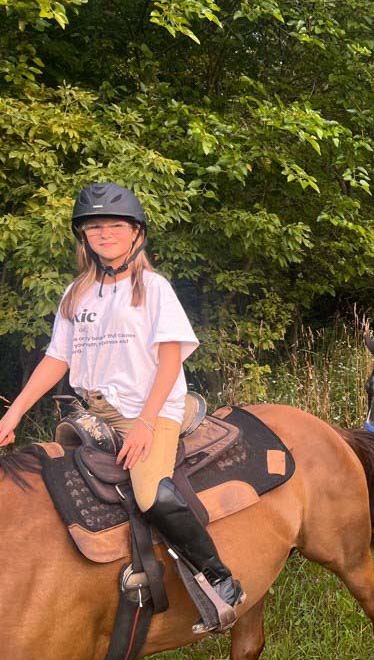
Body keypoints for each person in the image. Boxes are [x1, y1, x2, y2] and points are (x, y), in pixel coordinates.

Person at [0, 182, 243, 631]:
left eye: (115, 225)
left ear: (136, 233)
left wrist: (146, 424)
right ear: (84, 236)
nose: (104, 233)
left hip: (153, 407)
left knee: (149, 492)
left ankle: (220, 578)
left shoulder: (152, 287)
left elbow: (170, 359)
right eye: (94, 226)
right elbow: (57, 359)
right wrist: (13, 413)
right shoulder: (77, 293)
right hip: (95, 411)